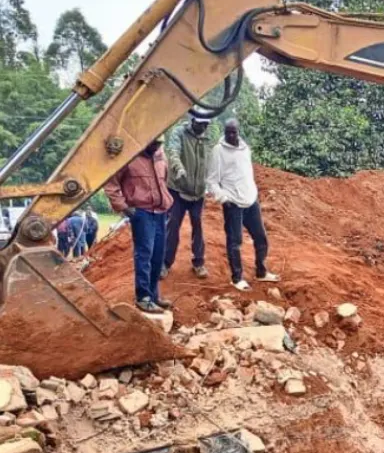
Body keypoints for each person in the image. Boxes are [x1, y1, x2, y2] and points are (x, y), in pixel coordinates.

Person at [206, 119, 278, 291]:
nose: (231, 135)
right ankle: (237, 278)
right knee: (235, 241)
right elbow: (211, 180)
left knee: (260, 237)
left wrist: (253, 191)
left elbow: (247, 173)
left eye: (234, 132)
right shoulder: (219, 151)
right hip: (233, 204)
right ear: (225, 132)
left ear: (239, 131)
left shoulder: (245, 149)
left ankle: (261, 272)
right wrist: (224, 199)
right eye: (228, 132)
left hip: (251, 200)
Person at [103, 137, 173, 313]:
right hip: (142, 212)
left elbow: (165, 179)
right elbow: (111, 184)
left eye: (159, 144)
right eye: (153, 144)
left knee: (158, 255)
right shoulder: (129, 158)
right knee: (144, 254)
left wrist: (166, 200)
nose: (156, 147)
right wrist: (124, 207)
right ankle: (143, 297)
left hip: (160, 211)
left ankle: (154, 294)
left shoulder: (160, 156)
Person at [164, 115, 213, 280]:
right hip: (178, 189)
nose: (203, 127)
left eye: (206, 124)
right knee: (172, 226)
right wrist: (178, 168)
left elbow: (208, 162)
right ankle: (165, 263)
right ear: (193, 121)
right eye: (201, 124)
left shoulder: (206, 138)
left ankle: (198, 263)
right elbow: (173, 152)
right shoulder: (179, 133)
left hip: (198, 193)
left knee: (198, 226)